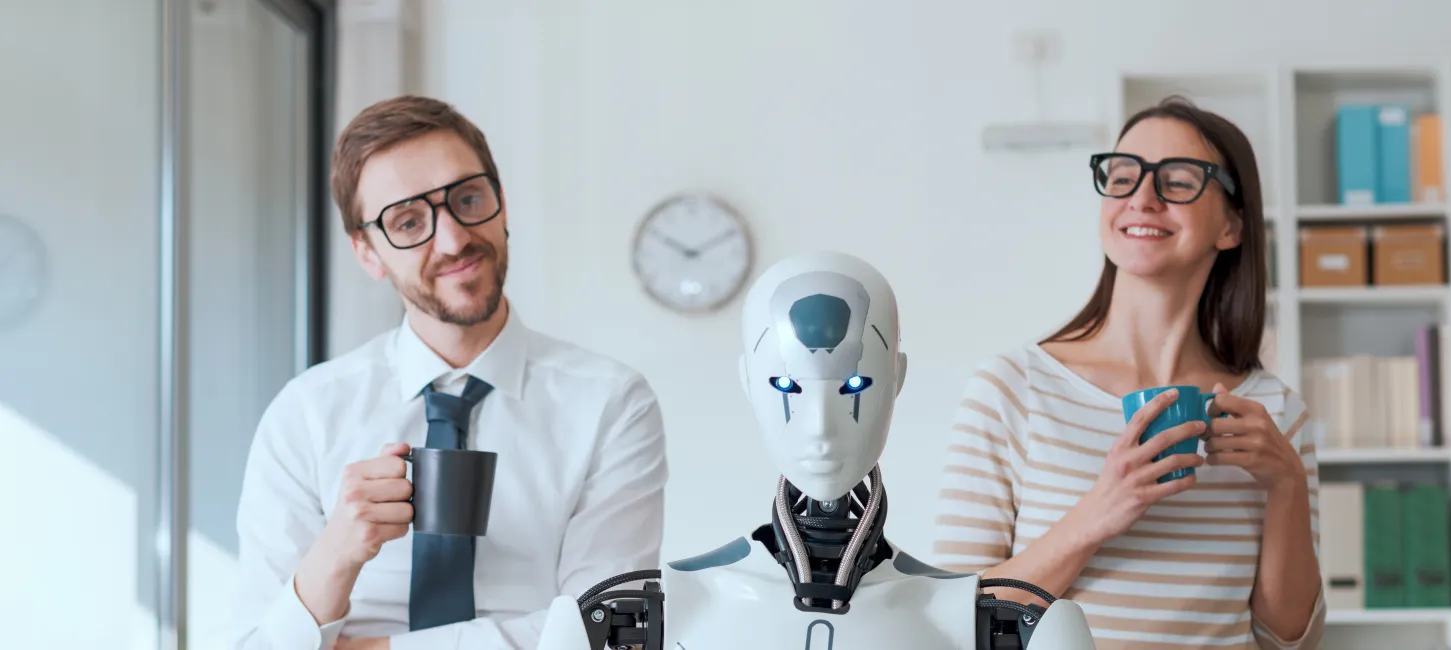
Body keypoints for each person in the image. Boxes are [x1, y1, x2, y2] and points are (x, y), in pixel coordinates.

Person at [229, 95, 669, 650]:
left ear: (502, 202)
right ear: (367, 253)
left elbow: (609, 636)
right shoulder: (306, 415)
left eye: (467, 198)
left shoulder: (611, 404)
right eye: (409, 221)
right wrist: (337, 550)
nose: (455, 238)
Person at [531, 250, 1095, 649]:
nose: (821, 428)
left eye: (854, 387)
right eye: (787, 387)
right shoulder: (618, 621)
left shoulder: (1003, 625)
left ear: (895, 379)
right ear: (749, 382)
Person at [931, 96, 1325, 649]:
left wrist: (1287, 485)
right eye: (1123, 175)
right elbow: (952, 625)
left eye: (1180, 180)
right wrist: (1099, 513)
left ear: (1232, 225)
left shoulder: (1276, 413)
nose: (1143, 198)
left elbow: (1291, 641)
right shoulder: (1012, 391)